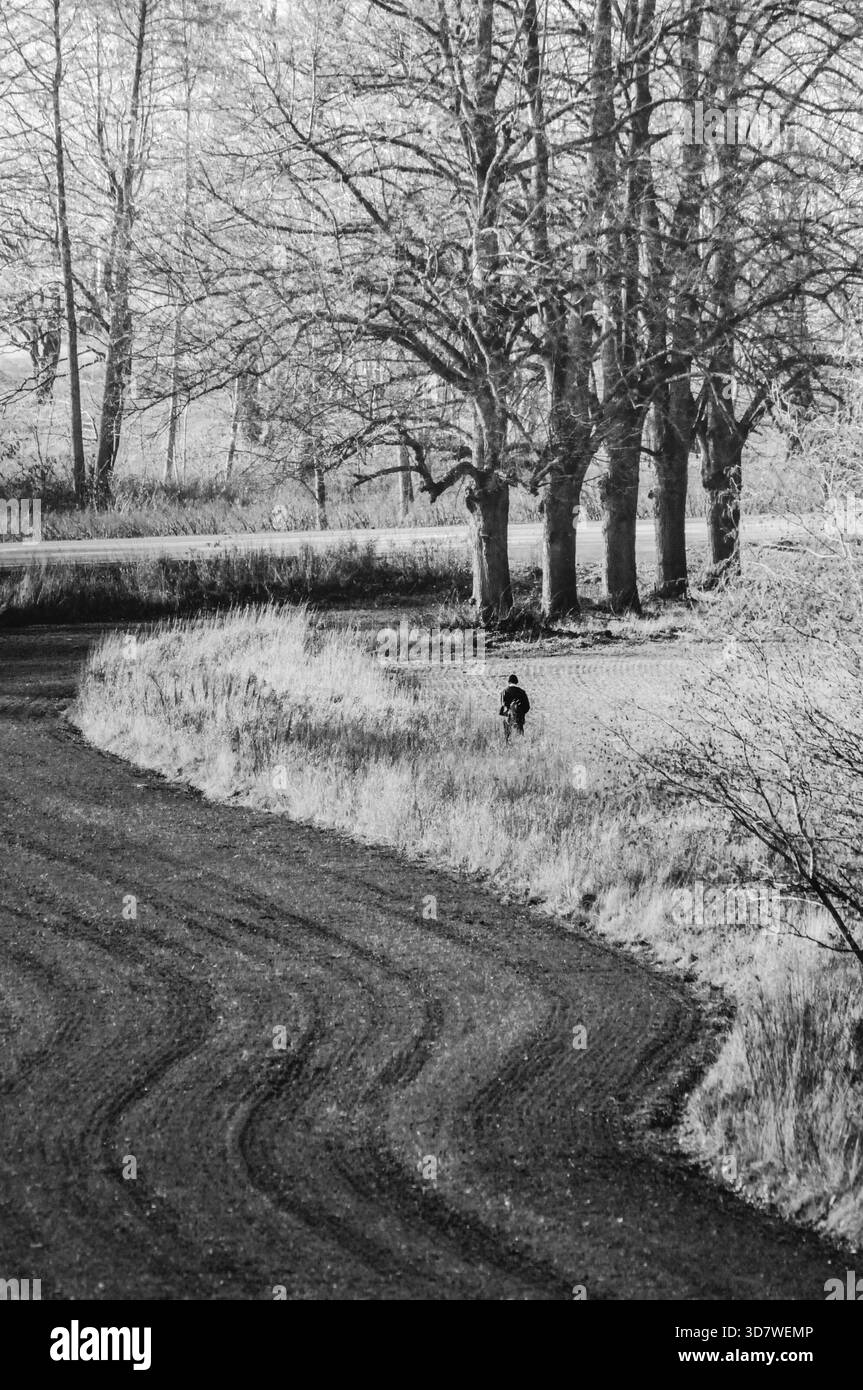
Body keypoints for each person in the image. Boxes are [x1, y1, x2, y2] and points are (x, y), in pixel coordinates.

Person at [499, 673, 530, 739]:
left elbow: (502, 706)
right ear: (517, 682)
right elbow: (527, 707)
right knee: (520, 736)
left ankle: (508, 746)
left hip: (508, 718)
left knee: (507, 737)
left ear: (509, 682)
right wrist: (521, 713)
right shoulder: (522, 692)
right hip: (519, 718)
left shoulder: (504, 692)